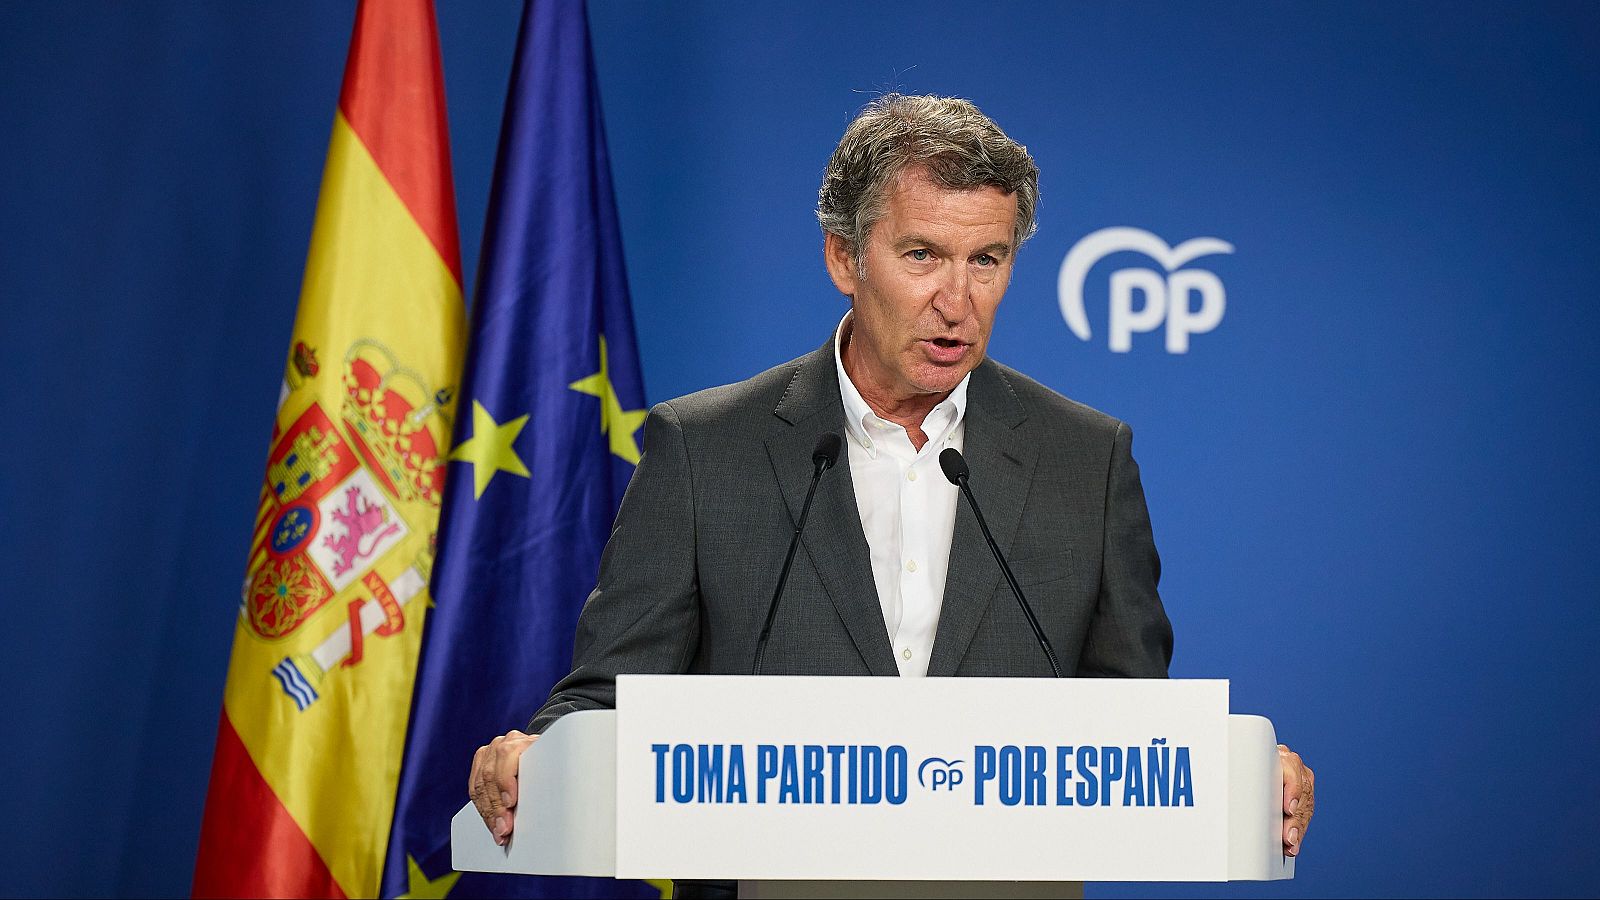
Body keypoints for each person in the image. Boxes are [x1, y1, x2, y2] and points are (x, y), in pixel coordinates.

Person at [468, 94, 1315, 877]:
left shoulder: (1085, 460)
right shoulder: (705, 450)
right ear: (845, 256)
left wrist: (1233, 774)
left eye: (988, 259)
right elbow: (609, 696)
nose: (959, 300)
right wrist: (536, 753)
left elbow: (1134, 726)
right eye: (923, 255)